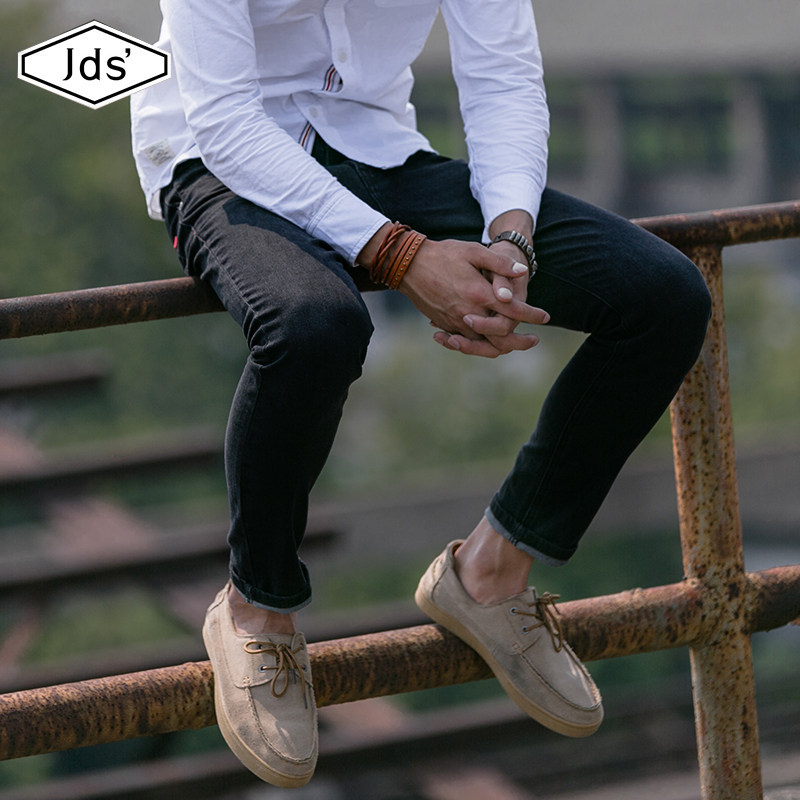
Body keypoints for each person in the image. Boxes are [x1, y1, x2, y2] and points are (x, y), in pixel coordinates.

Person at [131, 0, 711, 788]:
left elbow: (501, 76)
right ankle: (256, 611)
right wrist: (402, 256)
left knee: (664, 296)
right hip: (216, 158)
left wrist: (510, 240)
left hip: (374, 146)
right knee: (316, 326)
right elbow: (228, 121)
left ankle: (491, 572)